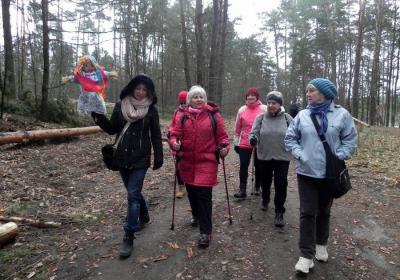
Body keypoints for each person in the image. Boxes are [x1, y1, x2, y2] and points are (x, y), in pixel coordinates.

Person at [284, 78, 357, 274]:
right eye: (307, 91)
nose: (308, 94)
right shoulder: (302, 115)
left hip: (330, 174)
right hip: (306, 172)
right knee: (307, 212)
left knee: (324, 210)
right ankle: (305, 255)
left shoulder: (342, 114)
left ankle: (321, 244)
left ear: (324, 93)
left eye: (312, 91)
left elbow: (350, 140)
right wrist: (300, 154)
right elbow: (290, 138)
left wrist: (338, 156)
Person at [92, 74, 163, 258]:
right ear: (132, 88)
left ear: (149, 92)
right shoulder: (120, 105)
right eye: (138, 89)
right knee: (134, 192)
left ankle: (128, 236)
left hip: (141, 158)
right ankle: (144, 215)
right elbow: (113, 128)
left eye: (144, 90)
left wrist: (159, 156)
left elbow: (155, 135)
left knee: (132, 195)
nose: (140, 93)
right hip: (122, 157)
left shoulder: (151, 110)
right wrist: (98, 117)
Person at [169, 85, 230, 248]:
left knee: (204, 196)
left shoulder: (213, 115)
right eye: (195, 97)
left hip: (207, 160)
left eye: (201, 97)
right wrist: (174, 143)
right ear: (189, 100)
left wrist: (224, 147)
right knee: (192, 193)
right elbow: (174, 134)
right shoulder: (181, 115)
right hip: (187, 161)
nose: (199, 99)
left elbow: (223, 136)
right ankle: (196, 214)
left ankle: (205, 232)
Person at [249, 91, 293, 227]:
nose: (271, 105)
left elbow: (295, 134)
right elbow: (253, 132)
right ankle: (265, 198)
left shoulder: (287, 118)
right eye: (269, 102)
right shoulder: (261, 118)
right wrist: (253, 139)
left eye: (274, 103)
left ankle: (279, 211)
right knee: (265, 181)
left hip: (282, 157)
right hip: (264, 155)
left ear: (280, 104)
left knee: (281, 184)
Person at [233, 87, 267, 199]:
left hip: (260, 141)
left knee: (259, 165)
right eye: (248, 95)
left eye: (253, 95)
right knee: (243, 165)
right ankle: (242, 189)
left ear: (257, 97)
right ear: (246, 97)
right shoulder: (242, 110)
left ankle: (257, 186)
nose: (250, 97)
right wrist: (235, 142)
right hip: (244, 141)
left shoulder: (264, 109)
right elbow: (237, 127)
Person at [168, 90, 189, 199]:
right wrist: (170, 132)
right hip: (178, 144)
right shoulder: (177, 112)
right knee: (178, 167)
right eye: (182, 103)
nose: (184, 105)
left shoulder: (193, 112)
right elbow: (172, 125)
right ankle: (181, 187)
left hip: (190, 145)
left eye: (186, 102)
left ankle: (191, 185)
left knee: (189, 166)